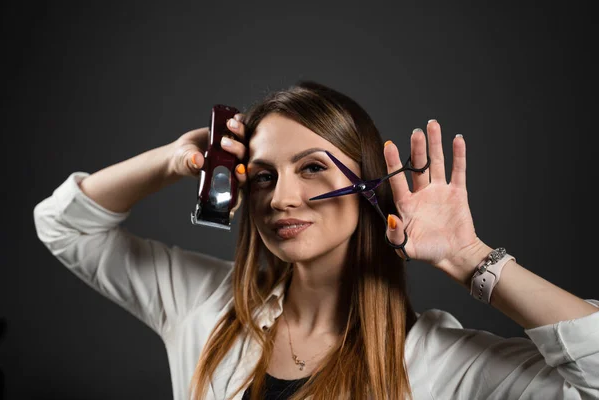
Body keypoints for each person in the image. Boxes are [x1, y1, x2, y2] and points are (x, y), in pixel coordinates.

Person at [33, 80, 599, 400]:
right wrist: (177, 159)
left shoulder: (439, 363)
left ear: (369, 186)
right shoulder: (204, 306)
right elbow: (65, 225)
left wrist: (472, 258)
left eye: (311, 169)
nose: (280, 198)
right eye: (262, 176)